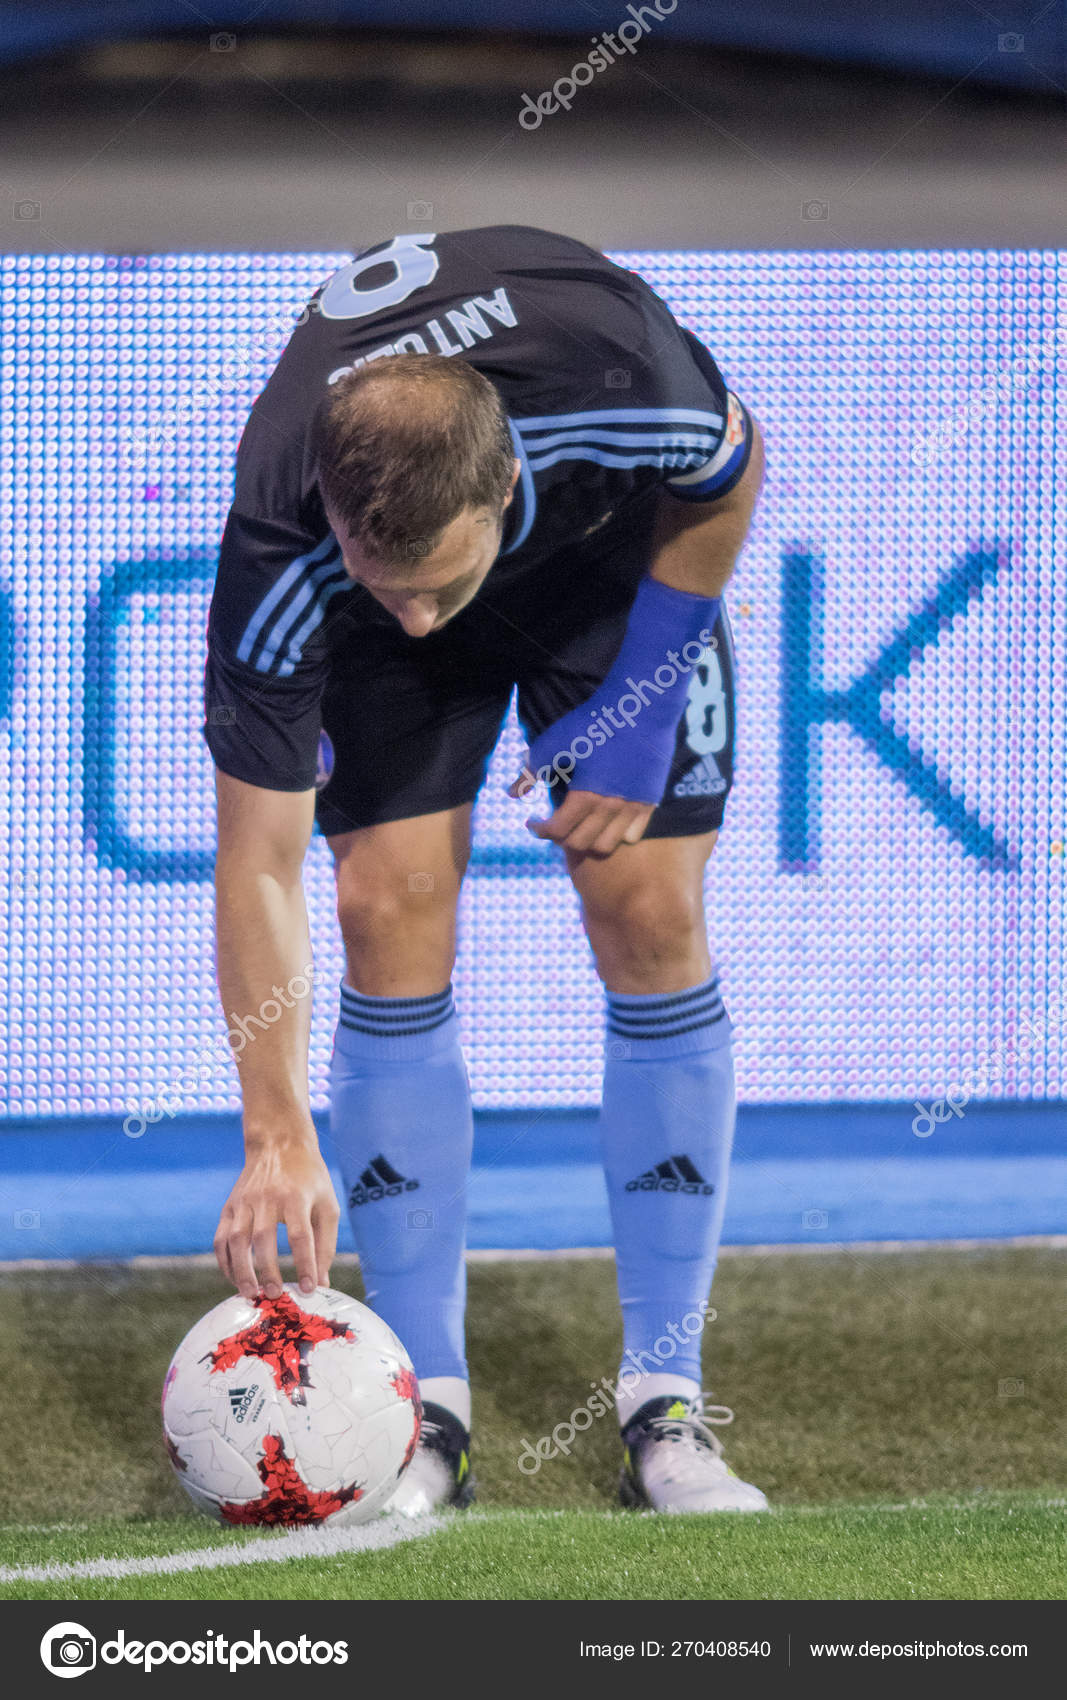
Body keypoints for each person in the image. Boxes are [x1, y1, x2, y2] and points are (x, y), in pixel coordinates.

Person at [206, 225, 767, 1515]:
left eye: (433, 583)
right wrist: (274, 1130)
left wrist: (642, 694)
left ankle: (668, 1406)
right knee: (380, 904)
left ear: (497, 485)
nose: (412, 608)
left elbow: (728, 478)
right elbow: (262, 866)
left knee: (652, 910)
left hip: (606, 572)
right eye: (378, 578)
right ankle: (423, 1414)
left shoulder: (624, 384)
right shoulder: (289, 546)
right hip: (403, 593)